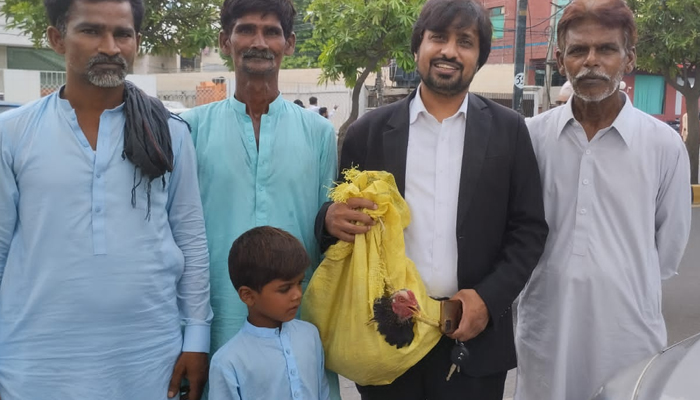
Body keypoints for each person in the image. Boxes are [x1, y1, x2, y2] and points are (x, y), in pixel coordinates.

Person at [315, 0, 548, 398]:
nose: (449, 51)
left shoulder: (508, 130)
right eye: (438, 37)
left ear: (480, 56)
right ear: (417, 46)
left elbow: (528, 229)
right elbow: (340, 220)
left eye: (465, 41)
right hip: (387, 334)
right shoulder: (368, 132)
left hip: (472, 340)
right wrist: (327, 220)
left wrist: (488, 300)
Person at [0, 0, 213, 398]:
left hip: (150, 360)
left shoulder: (169, 134)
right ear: (56, 38)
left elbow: (191, 241)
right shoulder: (12, 134)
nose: (110, 47)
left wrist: (197, 337)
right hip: (34, 364)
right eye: (91, 31)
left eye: (123, 34)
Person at [514, 1, 692, 399]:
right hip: (546, 330)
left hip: (628, 334)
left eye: (607, 49)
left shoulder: (662, 145)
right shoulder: (530, 137)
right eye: (578, 50)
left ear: (629, 58)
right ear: (561, 60)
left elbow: (668, 249)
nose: (591, 61)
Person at [179, 0, 339, 397]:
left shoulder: (318, 133)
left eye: (271, 32)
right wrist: (192, 335)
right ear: (224, 40)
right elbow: (181, 233)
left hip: (298, 322)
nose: (259, 42)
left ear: (290, 44)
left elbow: (324, 233)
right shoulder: (190, 129)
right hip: (214, 318)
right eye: (246, 29)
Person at [209, 226, 330, 400]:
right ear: (248, 296)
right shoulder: (229, 361)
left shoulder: (309, 335)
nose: (297, 294)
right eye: (284, 289)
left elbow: (323, 393)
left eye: (299, 283)